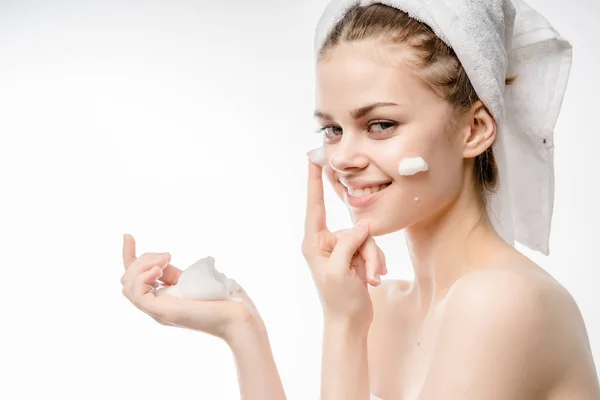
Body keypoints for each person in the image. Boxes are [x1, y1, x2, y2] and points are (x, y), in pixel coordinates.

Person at [120, 1, 600, 399]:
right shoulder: (386, 309)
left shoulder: (501, 301)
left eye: (380, 125)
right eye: (332, 129)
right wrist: (242, 330)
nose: (343, 157)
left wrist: (344, 326)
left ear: (473, 130)